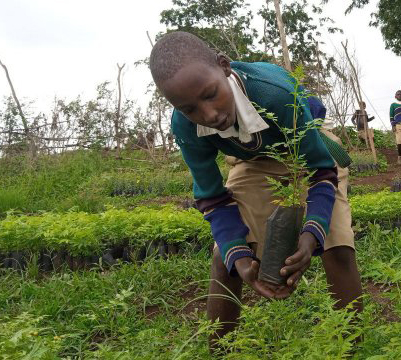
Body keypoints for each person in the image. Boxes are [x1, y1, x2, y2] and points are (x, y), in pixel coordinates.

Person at [149, 31, 362, 350]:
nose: (209, 115)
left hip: (309, 149)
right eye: (190, 108)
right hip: (254, 160)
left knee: (338, 247)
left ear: (224, 67)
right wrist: (242, 258)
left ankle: (353, 349)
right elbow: (211, 196)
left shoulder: (274, 94)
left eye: (210, 95)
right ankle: (220, 352)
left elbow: (321, 171)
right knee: (226, 256)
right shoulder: (185, 126)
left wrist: (311, 234)